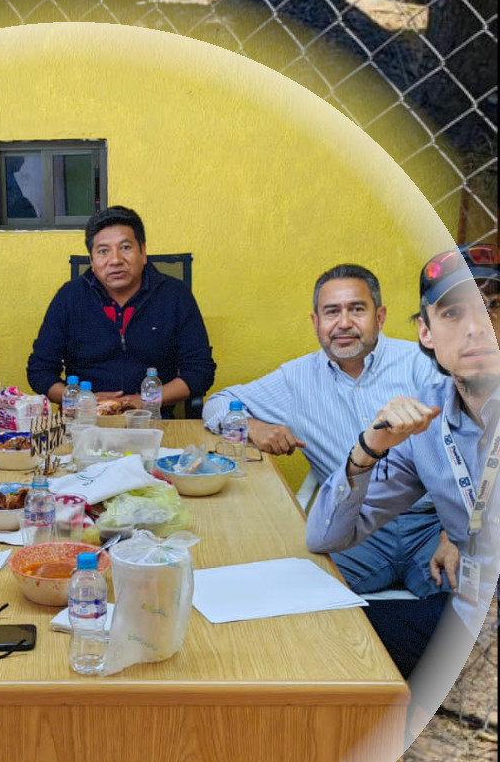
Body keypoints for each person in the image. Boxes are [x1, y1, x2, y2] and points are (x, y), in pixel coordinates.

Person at [306, 245, 499, 679]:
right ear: (426, 333)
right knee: (325, 632)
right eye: (453, 313)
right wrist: (366, 450)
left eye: (492, 308)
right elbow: (324, 537)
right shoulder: (428, 422)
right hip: (469, 620)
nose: (476, 328)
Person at [204, 264, 452, 600]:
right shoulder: (295, 380)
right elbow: (219, 403)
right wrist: (254, 426)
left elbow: (474, 450)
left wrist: (457, 534)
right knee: (289, 600)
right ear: (315, 322)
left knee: (465, 617)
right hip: (356, 530)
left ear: (380, 317)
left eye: (357, 310)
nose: (344, 323)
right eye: (331, 312)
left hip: (433, 527)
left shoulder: (422, 364)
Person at [25, 204, 216, 417]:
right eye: (103, 251)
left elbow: (200, 371)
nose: (115, 260)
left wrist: (143, 401)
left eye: (125, 247)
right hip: (85, 420)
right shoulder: (69, 298)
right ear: (92, 260)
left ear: (143, 252)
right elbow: (39, 370)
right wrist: (83, 400)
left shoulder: (174, 295)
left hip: (153, 420)